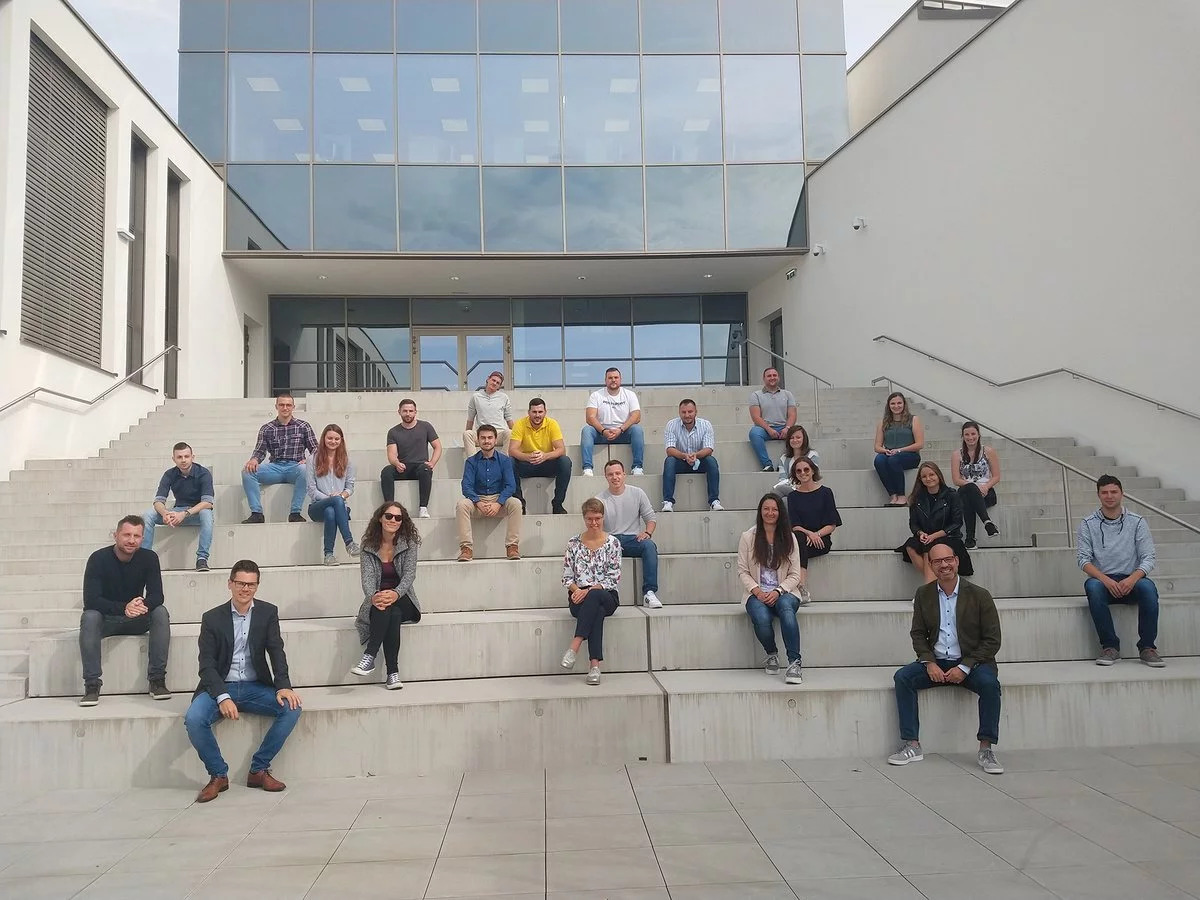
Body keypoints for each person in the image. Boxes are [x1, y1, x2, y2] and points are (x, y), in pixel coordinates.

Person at [183, 560, 303, 802]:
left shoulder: (268, 612)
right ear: (230, 584)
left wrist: (283, 686)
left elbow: (276, 651)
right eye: (240, 583)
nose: (245, 589)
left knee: (292, 708)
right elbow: (206, 665)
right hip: (220, 685)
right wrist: (222, 696)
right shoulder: (212, 618)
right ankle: (218, 775)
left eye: (251, 584)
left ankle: (259, 770)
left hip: (254, 686)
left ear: (257, 586)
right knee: (194, 719)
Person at [888, 542, 1004, 775]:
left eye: (948, 559)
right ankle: (912, 744)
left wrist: (965, 667)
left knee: (990, 685)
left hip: (972, 662)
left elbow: (992, 640)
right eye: (938, 561)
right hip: (938, 662)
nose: (944, 565)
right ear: (930, 565)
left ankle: (986, 748)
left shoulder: (980, 595)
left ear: (957, 561)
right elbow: (918, 633)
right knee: (903, 678)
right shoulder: (924, 594)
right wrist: (928, 661)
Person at [79, 515, 170, 706]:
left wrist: (138, 606)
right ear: (116, 535)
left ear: (142, 538)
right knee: (89, 617)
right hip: (107, 620)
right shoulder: (98, 558)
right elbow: (91, 600)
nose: (131, 540)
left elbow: (157, 596)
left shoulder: (149, 558)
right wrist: (123, 607)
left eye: (137, 536)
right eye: (127, 534)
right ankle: (92, 684)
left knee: (160, 611)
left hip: (136, 619)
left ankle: (157, 680)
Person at [1078, 475, 1164, 667]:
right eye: (1104, 492)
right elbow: (1083, 560)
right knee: (1092, 586)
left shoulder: (1137, 522)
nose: (1109, 496)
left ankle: (1147, 648)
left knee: (1148, 588)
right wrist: (1106, 580)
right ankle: (1110, 647)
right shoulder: (1087, 523)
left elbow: (1149, 557)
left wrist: (1132, 579)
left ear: (1122, 494)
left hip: (1132, 580)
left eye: (1113, 492)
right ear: (1099, 495)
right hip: (1103, 581)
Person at [351, 502, 422, 689]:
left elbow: (409, 575)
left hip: (403, 598)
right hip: (378, 600)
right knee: (392, 613)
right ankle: (393, 674)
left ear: (402, 522)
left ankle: (370, 656)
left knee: (394, 608)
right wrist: (373, 596)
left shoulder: (409, 543)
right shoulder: (368, 545)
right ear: (380, 518)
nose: (393, 520)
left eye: (398, 518)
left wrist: (396, 593)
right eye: (389, 516)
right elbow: (366, 578)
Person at [738, 494, 805, 685]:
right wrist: (757, 591)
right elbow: (742, 571)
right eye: (766, 509)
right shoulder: (747, 537)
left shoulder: (789, 538)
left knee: (785, 608)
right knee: (761, 617)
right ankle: (772, 653)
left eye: (774, 509)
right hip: (756, 592)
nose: (770, 513)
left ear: (780, 512)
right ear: (760, 512)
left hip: (785, 592)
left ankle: (795, 663)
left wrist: (778, 591)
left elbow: (795, 574)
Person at [560, 498, 622, 685]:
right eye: (589, 519)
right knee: (597, 611)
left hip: (607, 595)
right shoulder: (573, 543)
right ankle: (594, 667)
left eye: (597, 518)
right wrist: (576, 590)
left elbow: (613, 577)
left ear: (603, 517)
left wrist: (587, 591)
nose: (594, 523)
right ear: (584, 519)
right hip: (579, 597)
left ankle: (574, 646)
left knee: (595, 595)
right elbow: (566, 577)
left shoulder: (613, 543)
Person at [241, 392, 318, 524]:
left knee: (306, 470)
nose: (285, 408)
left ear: (293, 407)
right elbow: (260, 451)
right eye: (281, 405)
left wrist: (309, 460)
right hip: (275, 467)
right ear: (276, 406)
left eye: (288, 405)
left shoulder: (303, 426)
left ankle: (295, 513)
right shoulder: (267, 428)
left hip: (296, 467)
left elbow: (316, 450)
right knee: (247, 472)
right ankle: (257, 513)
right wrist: (254, 459)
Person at [596, 460, 661, 608]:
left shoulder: (637, 493)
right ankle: (604, 592)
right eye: (610, 474)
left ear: (624, 475)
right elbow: (595, 526)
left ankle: (649, 593)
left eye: (618, 473)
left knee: (649, 546)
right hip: (610, 540)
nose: (615, 477)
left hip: (633, 539)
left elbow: (650, 518)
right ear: (606, 477)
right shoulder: (599, 499)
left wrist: (647, 532)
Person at [141, 442, 214, 572]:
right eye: (179, 457)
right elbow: (158, 501)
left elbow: (208, 502)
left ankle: (202, 559)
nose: (183, 460)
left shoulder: (203, 473)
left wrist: (184, 514)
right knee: (148, 515)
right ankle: (144, 558)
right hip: (177, 511)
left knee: (206, 513)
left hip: (195, 513)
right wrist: (165, 514)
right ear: (173, 459)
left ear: (193, 457)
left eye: (186, 456)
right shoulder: (169, 474)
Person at [896, 462, 973, 583]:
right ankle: (936, 585)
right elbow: (913, 524)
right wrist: (920, 533)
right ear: (920, 480)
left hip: (948, 536)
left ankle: (929, 590)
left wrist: (934, 536)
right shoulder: (917, 498)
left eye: (932, 474)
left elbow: (957, 522)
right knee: (910, 546)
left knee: (929, 548)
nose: (928, 478)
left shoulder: (951, 495)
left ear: (938, 475)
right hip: (926, 536)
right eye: (924, 476)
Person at [456, 425, 522, 562]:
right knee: (462, 505)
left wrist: (498, 503)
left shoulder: (505, 461)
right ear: (478, 441)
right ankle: (466, 549)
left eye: (490, 438)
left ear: (495, 439)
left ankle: (512, 546)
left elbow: (510, 486)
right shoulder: (471, 461)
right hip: (477, 501)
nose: (487, 441)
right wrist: (478, 502)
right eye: (483, 438)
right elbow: (466, 486)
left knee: (516, 503)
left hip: (499, 500)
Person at [785, 458, 841, 605]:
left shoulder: (826, 493)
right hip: (802, 538)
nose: (803, 473)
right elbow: (795, 525)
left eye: (806, 469)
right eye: (799, 471)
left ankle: (800, 587)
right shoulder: (792, 496)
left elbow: (832, 524)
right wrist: (809, 534)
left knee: (796, 545)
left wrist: (817, 534)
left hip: (821, 540)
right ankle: (801, 587)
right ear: (795, 474)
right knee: (798, 538)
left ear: (813, 470)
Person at [306, 424, 360, 566]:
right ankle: (349, 543)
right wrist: (332, 498)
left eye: (336, 439)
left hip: (340, 507)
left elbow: (350, 487)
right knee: (334, 503)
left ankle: (328, 555)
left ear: (341, 440)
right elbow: (311, 490)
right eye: (330, 438)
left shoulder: (347, 461)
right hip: (317, 506)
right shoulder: (313, 459)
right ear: (324, 439)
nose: (333, 441)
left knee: (331, 512)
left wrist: (341, 496)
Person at [509, 397, 571, 515]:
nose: (537, 415)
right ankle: (519, 504)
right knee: (509, 461)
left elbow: (562, 450)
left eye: (540, 412)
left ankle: (557, 504)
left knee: (565, 461)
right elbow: (512, 450)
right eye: (534, 412)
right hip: (527, 464)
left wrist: (545, 456)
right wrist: (528, 457)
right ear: (529, 413)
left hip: (547, 464)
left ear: (545, 412)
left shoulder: (552, 424)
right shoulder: (520, 424)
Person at [380, 398, 441, 519]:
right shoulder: (393, 432)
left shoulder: (426, 426)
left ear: (415, 412)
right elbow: (391, 454)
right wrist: (396, 463)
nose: (408, 414)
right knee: (386, 472)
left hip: (420, 466)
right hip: (402, 468)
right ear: (399, 412)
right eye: (405, 411)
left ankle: (423, 508)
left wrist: (432, 462)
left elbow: (437, 446)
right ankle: (389, 507)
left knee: (425, 469)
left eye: (410, 411)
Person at [662, 398, 723, 512]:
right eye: (683, 412)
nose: (687, 415)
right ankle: (668, 502)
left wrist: (696, 455)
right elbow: (670, 449)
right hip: (680, 461)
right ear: (679, 412)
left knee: (711, 461)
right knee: (669, 461)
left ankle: (714, 501)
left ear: (696, 412)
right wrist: (685, 456)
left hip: (699, 461)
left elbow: (709, 449)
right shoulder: (671, 425)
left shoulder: (705, 425)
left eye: (690, 412)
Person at [581, 367, 644, 477]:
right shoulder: (596, 395)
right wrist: (603, 430)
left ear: (620, 379)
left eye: (616, 377)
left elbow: (636, 416)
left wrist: (621, 429)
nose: (613, 380)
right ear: (605, 380)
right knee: (587, 430)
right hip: (601, 433)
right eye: (610, 378)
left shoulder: (630, 395)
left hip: (623, 432)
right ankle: (587, 468)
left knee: (637, 429)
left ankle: (637, 467)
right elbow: (590, 417)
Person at [951, 421, 1001, 549]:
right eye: (966, 434)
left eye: (973, 434)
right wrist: (974, 486)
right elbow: (956, 480)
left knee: (968, 500)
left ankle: (970, 538)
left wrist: (985, 486)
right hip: (965, 488)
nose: (970, 437)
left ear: (978, 435)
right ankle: (987, 522)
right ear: (962, 436)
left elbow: (996, 476)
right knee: (970, 489)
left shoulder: (988, 451)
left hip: (986, 491)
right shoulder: (957, 455)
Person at [874, 391, 924, 506]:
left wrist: (900, 450)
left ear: (904, 404)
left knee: (893, 460)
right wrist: (885, 451)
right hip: (890, 453)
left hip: (909, 454)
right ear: (888, 405)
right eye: (893, 404)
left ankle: (902, 495)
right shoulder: (883, 423)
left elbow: (920, 444)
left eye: (899, 403)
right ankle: (893, 495)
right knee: (879, 460)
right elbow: (877, 446)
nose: (896, 406)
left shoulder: (914, 419)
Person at [748, 367, 797, 473]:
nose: (772, 378)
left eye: (774, 375)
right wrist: (769, 429)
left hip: (784, 427)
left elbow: (792, 414)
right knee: (754, 433)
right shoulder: (756, 395)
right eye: (769, 376)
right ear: (764, 378)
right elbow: (756, 417)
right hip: (765, 429)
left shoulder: (787, 394)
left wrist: (787, 428)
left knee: (798, 433)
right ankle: (767, 465)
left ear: (778, 377)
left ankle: (784, 464)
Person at [463, 370, 514, 453]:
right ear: (488, 379)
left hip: (498, 434)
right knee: (467, 434)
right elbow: (470, 419)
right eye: (493, 380)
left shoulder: (504, 397)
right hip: (481, 434)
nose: (494, 383)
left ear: (499, 386)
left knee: (510, 433)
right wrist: (468, 432)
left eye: (498, 383)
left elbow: (509, 419)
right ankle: (473, 463)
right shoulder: (476, 397)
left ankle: (503, 462)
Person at [772, 425, 820, 496]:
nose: (795, 440)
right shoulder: (784, 458)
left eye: (798, 437)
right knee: (784, 500)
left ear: (804, 439)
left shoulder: (812, 455)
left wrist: (795, 484)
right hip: (791, 489)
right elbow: (782, 479)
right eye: (792, 438)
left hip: (807, 488)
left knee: (777, 490)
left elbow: (811, 475)